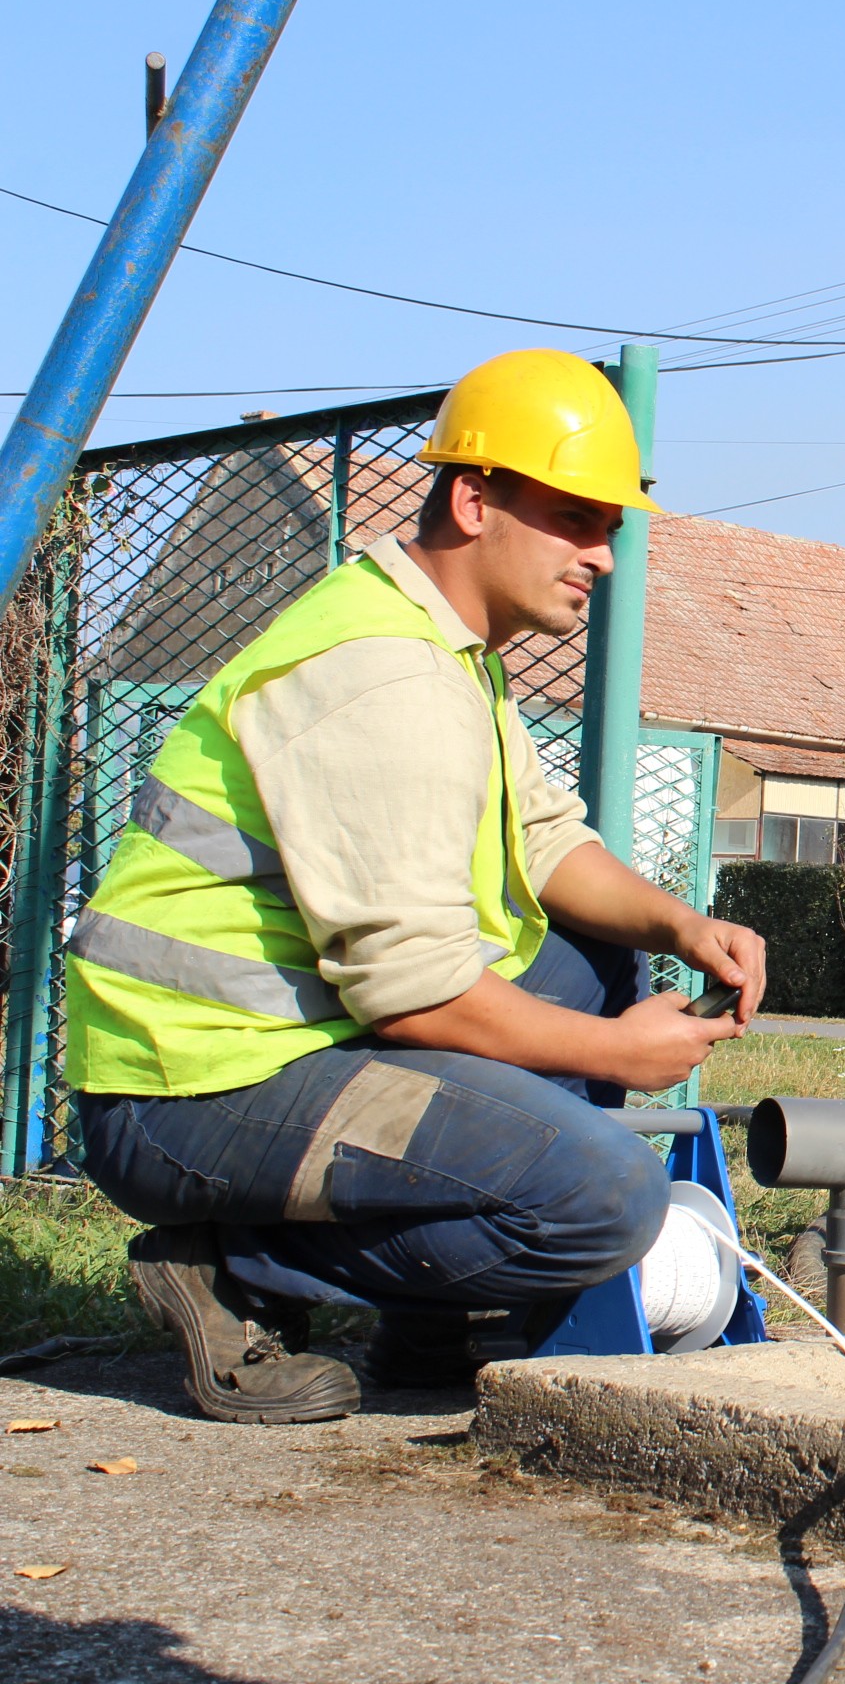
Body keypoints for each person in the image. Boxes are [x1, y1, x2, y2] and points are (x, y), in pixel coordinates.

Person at [67, 349, 768, 1424]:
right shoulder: (379, 674)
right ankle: (235, 1269)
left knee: (597, 955)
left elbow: (544, 846)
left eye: (611, 528)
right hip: (191, 1092)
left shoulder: (449, 651)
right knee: (603, 1201)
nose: (604, 556)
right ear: (474, 500)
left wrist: (684, 922)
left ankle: (425, 1318)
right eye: (577, 519)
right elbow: (411, 995)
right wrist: (616, 1052)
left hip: (297, 1043)